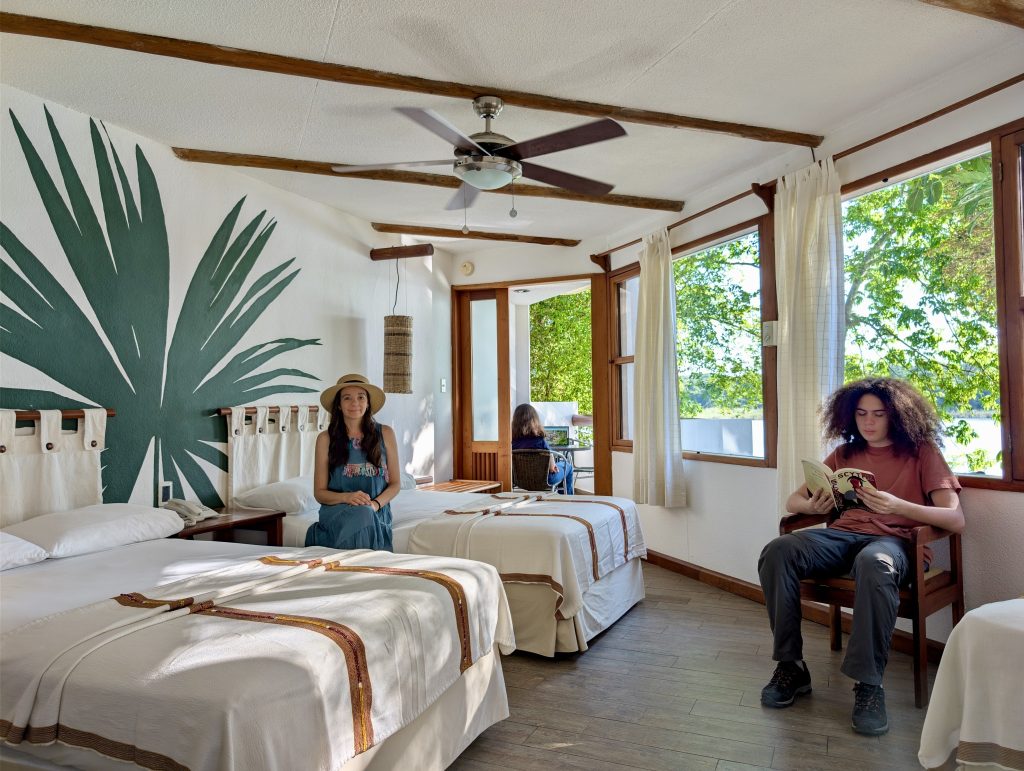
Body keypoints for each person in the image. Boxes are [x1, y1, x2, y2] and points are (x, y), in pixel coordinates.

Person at [757, 378, 963, 736]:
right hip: (842, 536)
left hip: (895, 543)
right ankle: (791, 666)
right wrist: (811, 505)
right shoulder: (844, 455)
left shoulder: (921, 452)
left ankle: (869, 685)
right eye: (862, 413)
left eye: (879, 414)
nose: (869, 422)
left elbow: (955, 518)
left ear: (896, 416)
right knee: (779, 550)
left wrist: (900, 506)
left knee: (874, 563)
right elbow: (793, 501)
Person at [305, 374, 401, 551]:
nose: (354, 403)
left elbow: (395, 484)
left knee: (365, 513)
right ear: (339, 406)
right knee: (362, 513)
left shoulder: (385, 433)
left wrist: (375, 504)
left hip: (376, 510)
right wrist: (346, 497)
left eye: (360, 397)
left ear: (368, 403)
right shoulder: (325, 439)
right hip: (337, 511)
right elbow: (320, 493)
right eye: (347, 398)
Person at [511, 403, 574, 494]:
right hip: (545, 480)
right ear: (534, 420)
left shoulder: (513, 443)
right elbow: (552, 468)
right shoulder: (540, 441)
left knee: (561, 467)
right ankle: (566, 499)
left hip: (520, 481)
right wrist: (553, 467)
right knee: (567, 466)